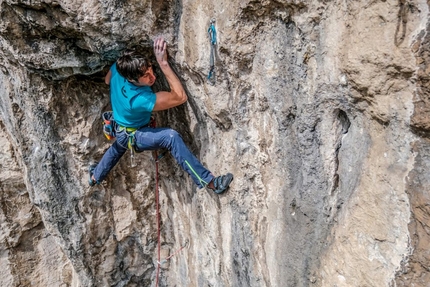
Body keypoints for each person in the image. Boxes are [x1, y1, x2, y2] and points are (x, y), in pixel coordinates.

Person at [89, 37, 233, 194]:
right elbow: (180, 97)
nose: (152, 76)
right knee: (170, 137)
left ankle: (95, 176)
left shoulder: (119, 67)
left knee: (118, 147)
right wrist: (163, 64)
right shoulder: (139, 100)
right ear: (131, 79)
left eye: (150, 68)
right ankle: (210, 182)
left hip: (119, 125)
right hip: (134, 134)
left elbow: (108, 80)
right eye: (145, 76)